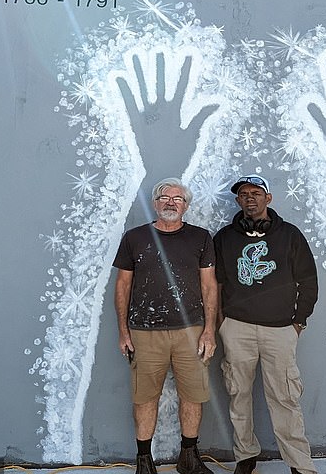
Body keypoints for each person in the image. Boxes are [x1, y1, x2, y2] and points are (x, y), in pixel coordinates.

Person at [214, 174, 319, 474]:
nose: (250, 197)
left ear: (268, 198)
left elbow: (308, 280)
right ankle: (245, 456)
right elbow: (215, 283)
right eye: (244, 193)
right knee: (238, 393)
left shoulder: (290, 235)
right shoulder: (223, 238)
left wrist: (299, 321)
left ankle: (300, 465)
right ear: (237, 201)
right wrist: (222, 323)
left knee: (285, 397)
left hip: (280, 330)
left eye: (256, 193)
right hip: (237, 328)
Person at [113, 178, 218, 474]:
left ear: (186, 205)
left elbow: (209, 286)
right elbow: (122, 285)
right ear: (155, 203)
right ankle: (144, 462)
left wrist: (209, 330)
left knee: (193, 395)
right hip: (144, 333)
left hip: (192, 332)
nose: (171, 202)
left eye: (177, 198)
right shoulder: (135, 238)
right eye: (164, 197)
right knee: (145, 397)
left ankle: (189, 457)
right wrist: (123, 331)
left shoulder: (200, 238)